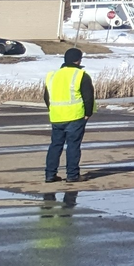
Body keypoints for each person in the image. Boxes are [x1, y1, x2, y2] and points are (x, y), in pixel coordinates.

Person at [42, 48, 94, 183]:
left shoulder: (52, 75)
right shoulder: (81, 75)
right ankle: (72, 175)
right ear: (78, 60)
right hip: (75, 116)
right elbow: (88, 97)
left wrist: (53, 110)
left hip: (57, 116)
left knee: (55, 145)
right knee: (73, 146)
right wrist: (88, 114)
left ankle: (50, 175)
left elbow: (47, 97)